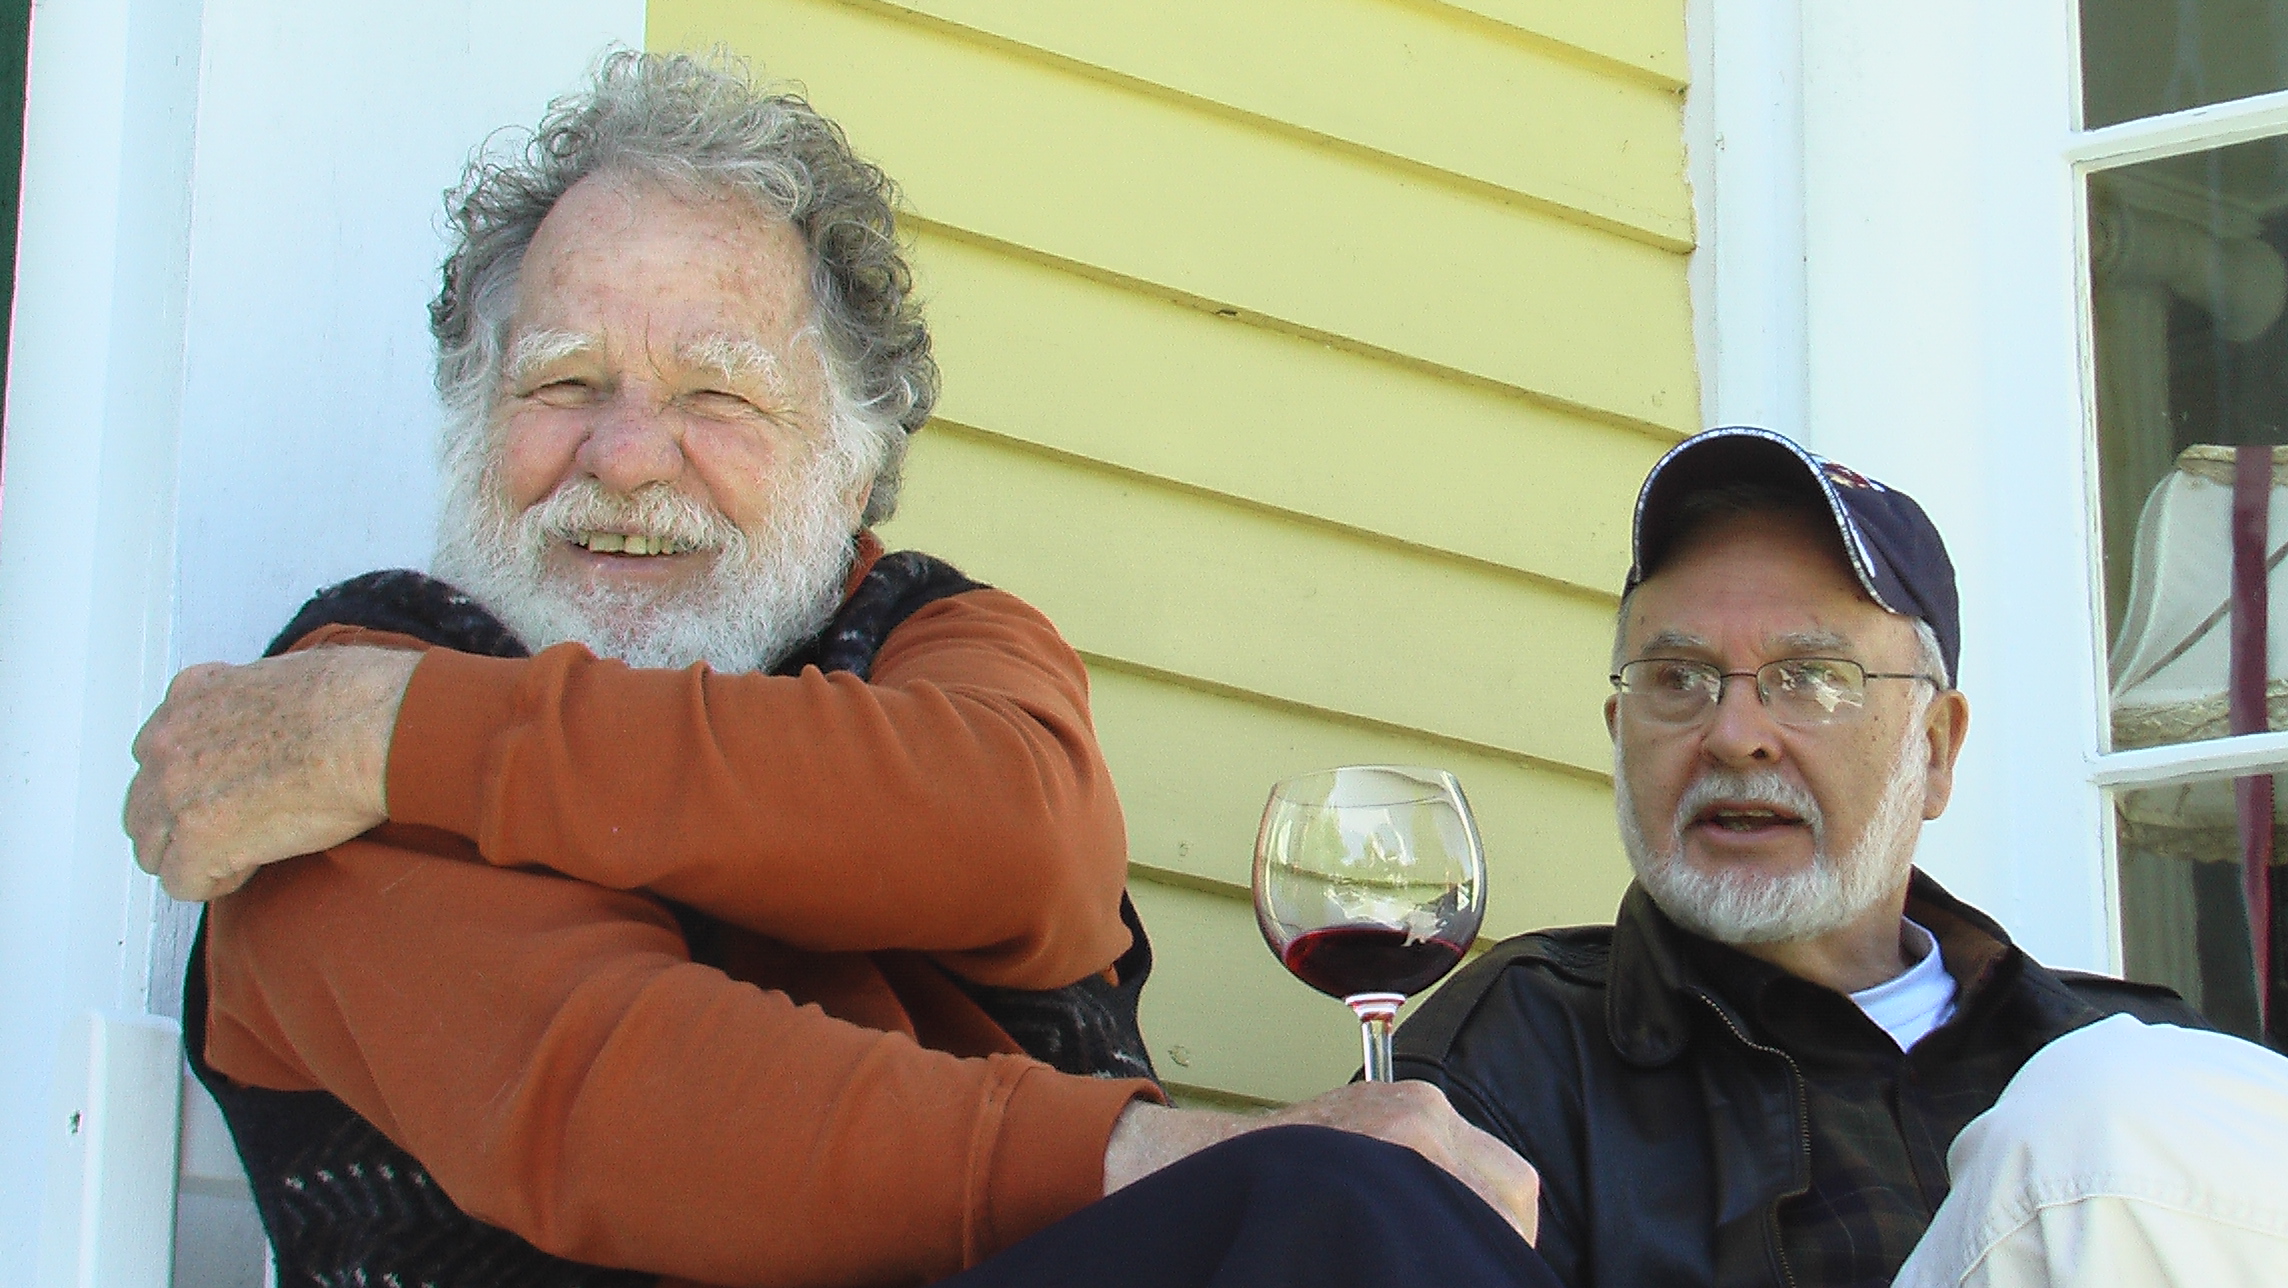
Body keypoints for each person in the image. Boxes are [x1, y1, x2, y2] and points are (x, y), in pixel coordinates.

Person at [124, 51, 1558, 1288]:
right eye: (563, 383)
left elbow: (1021, 846)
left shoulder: (927, 641)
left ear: (857, 455)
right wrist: (1214, 1159)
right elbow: (621, 1098)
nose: (626, 458)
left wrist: (408, 740)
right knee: (1352, 1217)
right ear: (474, 416)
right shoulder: (310, 724)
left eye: (716, 395)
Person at [1394, 425, 2288, 1288]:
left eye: (1813, 678)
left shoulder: (2126, 1060)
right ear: (1620, 733)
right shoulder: (1517, 1057)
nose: (1735, 736)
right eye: (1677, 681)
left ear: (1934, 749)